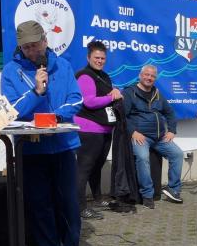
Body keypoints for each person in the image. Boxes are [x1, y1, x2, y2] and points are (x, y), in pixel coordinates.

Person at [1, 20, 84, 246]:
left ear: (45, 41)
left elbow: (76, 99)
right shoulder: (11, 71)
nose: (31, 51)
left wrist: (56, 116)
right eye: (26, 48)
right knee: (39, 202)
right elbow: (11, 110)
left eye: (35, 45)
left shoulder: (63, 66)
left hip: (62, 145)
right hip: (30, 148)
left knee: (68, 200)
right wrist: (36, 92)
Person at [123, 65, 184, 209]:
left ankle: (173, 190)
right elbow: (123, 116)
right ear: (140, 75)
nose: (149, 78)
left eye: (152, 76)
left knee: (177, 154)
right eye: (146, 74)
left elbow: (170, 113)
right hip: (141, 137)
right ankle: (147, 195)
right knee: (143, 158)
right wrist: (133, 132)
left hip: (159, 138)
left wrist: (172, 131)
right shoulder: (129, 93)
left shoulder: (157, 93)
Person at [74, 41, 123, 220]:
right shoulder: (85, 76)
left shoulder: (104, 76)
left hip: (104, 129)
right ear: (88, 58)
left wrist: (114, 94)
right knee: (84, 169)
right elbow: (89, 101)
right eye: (96, 57)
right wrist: (111, 97)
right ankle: (80, 208)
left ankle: (97, 199)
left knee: (97, 167)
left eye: (103, 58)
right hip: (89, 129)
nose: (100, 61)